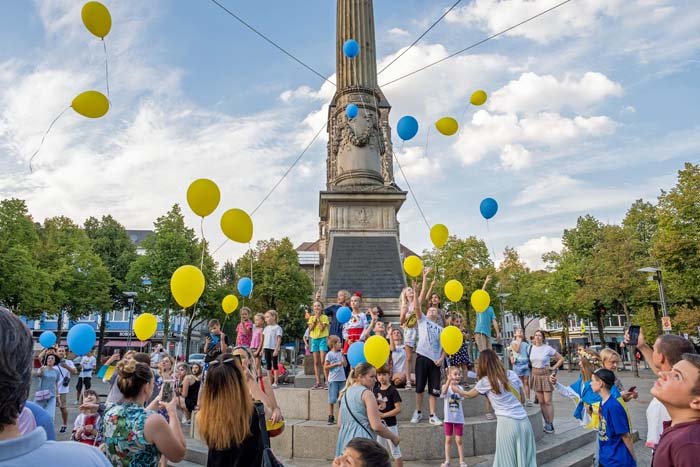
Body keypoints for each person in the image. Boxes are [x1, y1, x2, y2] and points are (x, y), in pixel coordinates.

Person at [0, 307, 110, 466]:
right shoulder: (88, 460)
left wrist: (58, 393)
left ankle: (64, 424)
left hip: (56, 393)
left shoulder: (62, 367)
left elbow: (67, 375)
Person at [451, 349, 537, 467]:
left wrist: (455, 389)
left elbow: (468, 395)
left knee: (506, 462)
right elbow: (522, 398)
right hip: (525, 423)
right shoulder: (512, 374)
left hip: (507, 424)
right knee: (526, 462)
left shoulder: (485, 381)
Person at [101, 359, 186, 467]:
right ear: (146, 387)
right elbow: (178, 455)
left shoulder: (109, 411)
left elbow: (135, 420)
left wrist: (157, 400)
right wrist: (172, 412)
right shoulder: (154, 420)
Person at [625, 328, 696, 452]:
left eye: (654, 348)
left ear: (661, 357)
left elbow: (659, 448)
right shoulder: (686, 386)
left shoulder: (662, 402)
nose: (662, 375)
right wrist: (642, 346)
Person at [198, 355, 266, 467]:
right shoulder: (251, 413)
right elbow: (268, 413)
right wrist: (251, 381)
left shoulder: (204, 416)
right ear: (239, 381)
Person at [335, 362, 400, 456]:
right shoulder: (367, 394)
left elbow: (340, 424)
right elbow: (376, 426)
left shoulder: (345, 393)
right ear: (360, 377)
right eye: (372, 377)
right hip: (362, 443)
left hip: (345, 442)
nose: (375, 380)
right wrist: (393, 437)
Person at [410, 267, 445, 426]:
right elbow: (417, 307)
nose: (431, 311)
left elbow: (446, 346)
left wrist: (442, 358)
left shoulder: (441, 329)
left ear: (437, 315)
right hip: (422, 357)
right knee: (419, 387)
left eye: (434, 310)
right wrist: (418, 290)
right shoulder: (422, 320)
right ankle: (417, 411)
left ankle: (432, 414)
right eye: (429, 309)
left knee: (434, 389)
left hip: (435, 361)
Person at [651, 353, 700, 466]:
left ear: (697, 401)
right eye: (671, 370)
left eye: (677, 376)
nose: (661, 373)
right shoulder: (679, 432)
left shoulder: (689, 446)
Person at [590, 368, 636, 467]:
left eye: (593, 381)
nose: (590, 384)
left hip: (617, 461)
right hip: (605, 458)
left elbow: (625, 436)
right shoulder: (603, 403)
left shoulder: (613, 407)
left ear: (600, 383)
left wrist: (633, 459)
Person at [230, 346, 283, 424]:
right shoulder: (230, 385)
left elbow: (274, 408)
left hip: (259, 432)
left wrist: (277, 412)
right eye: (236, 358)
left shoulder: (263, 382)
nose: (239, 361)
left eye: (243, 357)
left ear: (250, 360)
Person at [528, 330, 564, 433]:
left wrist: (553, 368)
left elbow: (561, 359)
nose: (537, 337)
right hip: (535, 374)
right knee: (541, 402)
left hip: (545, 374)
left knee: (548, 401)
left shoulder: (547, 348)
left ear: (543, 338)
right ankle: (546, 423)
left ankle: (550, 424)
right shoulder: (530, 348)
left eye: (539, 335)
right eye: (536, 335)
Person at [373, 365, 403, 467]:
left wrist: (384, 415)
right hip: (380, 425)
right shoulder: (375, 391)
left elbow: (398, 409)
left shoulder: (392, 390)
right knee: (381, 451)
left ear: (389, 375)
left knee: (395, 451)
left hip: (390, 425)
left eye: (384, 374)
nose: (382, 377)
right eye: (379, 374)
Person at [441, 366, 467, 467]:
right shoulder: (446, 387)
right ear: (449, 376)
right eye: (455, 374)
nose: (457, 376)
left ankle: (462, 461)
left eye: (458, 374)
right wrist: (448, 381)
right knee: (448, 439)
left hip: (459, 419)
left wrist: (457, 389)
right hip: (448, 419)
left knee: (459, 440)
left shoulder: (460, 388)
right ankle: (447, 460)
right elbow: (443, 392)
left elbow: (462, 396)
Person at [474, 276, 501, 352]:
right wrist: (485, 283)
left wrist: (498, 333)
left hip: (488, 334)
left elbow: (494, 321)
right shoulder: (479, 306)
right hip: (480, 332)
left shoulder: (490, 308)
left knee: (489, 354)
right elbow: (481, 294)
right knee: (484, 353)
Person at [54, 346, 77, 433]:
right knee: (50, 408)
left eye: (62, 351)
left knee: (63, 408)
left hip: (62, 389)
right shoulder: (52, 361)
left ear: (65, 353)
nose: (61, 352)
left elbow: (75, 372)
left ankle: (64, 424)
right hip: (52, 389)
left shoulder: (69, 362)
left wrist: (66, 366)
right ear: (56, 352)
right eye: (59, 351)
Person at [325, 335, 347, 425]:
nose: (340, 344)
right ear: (334, 344)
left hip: (342, 379)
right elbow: (326, 366)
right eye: (338, 342)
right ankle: (331, 416)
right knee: (332, 398)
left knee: (342, 399)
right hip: (333, 380)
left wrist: (343, 356)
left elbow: (345, 365)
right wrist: (336, 364)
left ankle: (341, 417)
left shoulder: (340, 353)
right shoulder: (329, 354)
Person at [309, 300, 330, 389]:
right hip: (314, 339)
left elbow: (321, 328)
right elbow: (311, 328)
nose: (316, 308)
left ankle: (327, 381)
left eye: (318, 306)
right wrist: (314, 320)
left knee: (323, 361)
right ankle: (318, 382)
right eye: (315, 306)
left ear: (321, 308)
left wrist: (318, 319)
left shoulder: (324, 317)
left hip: (322, 339)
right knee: (316, 362)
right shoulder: (311, 318)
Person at [399, 286, 417, 389]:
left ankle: (420, 378)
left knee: (420, 356)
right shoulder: (405, 306)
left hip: (418, 331)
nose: (411, 291)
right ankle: (408, 380)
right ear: (405, 294)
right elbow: (401, 321)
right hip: (409, 331)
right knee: (409, 357)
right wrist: (404, 313)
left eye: (412, 289)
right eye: (409, 290)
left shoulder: (417, 303)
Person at [35, 353, 61, 422]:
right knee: (37, 414)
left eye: (52, 358)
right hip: (42, 395)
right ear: (46, 360)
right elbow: (39, 375)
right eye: (49, 358)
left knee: (51, 415)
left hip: (52, 396)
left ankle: (49, 430)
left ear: (54, 361)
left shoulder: (56, 372)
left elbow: (56, 384)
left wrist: (58, 397)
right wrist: (41, 372)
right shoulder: (42, 368)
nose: (50, 359)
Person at [510, 327, 532, 406]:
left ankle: (528, 399)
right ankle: (520, 399)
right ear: (515, 334)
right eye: (518, 331)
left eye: (521, 331)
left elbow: (529, 353)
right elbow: (516, 350)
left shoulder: (526, 344)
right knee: (519, 382)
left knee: (526, 382)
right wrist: (519, 341)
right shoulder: (513, 342)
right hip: (518, 363)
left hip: (525, 362)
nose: (520, 332)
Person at [262, 310, 284, 389]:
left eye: (267, 317)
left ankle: (275, 381)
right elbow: (264, 339)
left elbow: (279, 339)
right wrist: (262, 349)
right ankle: (270, 381)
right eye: (265, 318)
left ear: (274, 317)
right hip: (267, 348)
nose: (266, 319)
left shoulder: (277, 328)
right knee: (268, 365)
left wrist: (276, 349)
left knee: (275, 365)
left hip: (273, 348)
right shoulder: (266, 328)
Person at [448, 314, 472, 383]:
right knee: (456, 366)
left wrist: (463, 334)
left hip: (462, 348)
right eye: (457, 321)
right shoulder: (451, 329)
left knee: (464, 365)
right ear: (452, 322)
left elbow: (466, 338)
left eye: (460, 322)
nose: (459, 323)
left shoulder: (463, 329)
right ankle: (456, 380)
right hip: (455, 349)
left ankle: (465, 381)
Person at [251, 313, 265, 380]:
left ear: (262, 321)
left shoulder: (261, 330)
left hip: (257, 349)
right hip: (252, 348)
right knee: (254, 365)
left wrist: (258, 351)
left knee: (257, 365)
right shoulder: (254, 329)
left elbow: (261, 342)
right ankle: (257, 378)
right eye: (255, 320)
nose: (255, 321)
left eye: (257, 320)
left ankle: (258, 379)